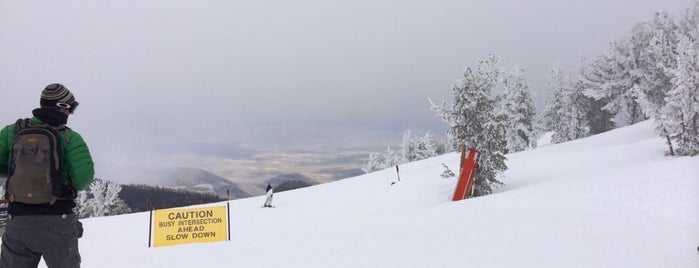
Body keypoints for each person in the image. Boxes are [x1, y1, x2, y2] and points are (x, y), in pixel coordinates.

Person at [0, 83, 95, 268]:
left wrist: (18, 171)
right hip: (58, 220)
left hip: (18, 219)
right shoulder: (70, 138)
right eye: (71, 108)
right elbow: (83, 179)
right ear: (61, 107)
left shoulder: (12, 131)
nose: (71, 113)